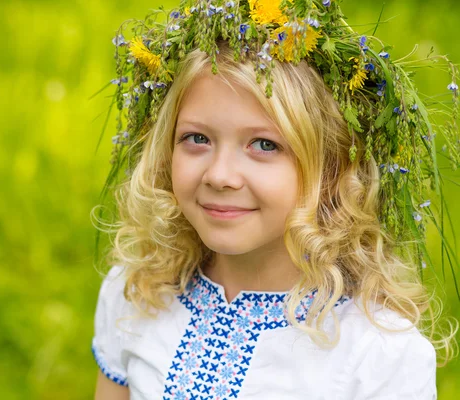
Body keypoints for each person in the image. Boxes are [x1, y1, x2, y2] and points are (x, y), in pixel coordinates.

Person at [90, 1, 459, 399]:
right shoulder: (137, 293)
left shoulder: (377, 356)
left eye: (264, 144)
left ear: (329, 167)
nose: (220, 175)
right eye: (197, 139)